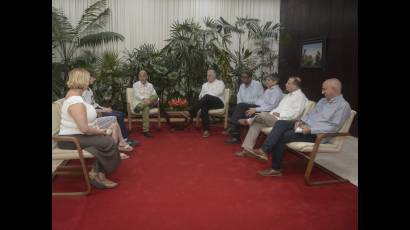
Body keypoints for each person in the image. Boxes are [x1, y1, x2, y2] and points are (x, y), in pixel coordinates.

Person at [250, 78, 351, 177]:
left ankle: (275, 168)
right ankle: (264, 150)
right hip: (305, 127)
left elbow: (333, 128)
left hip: (317, 134)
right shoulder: (322, 101)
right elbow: (310, 114)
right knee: (281, 123)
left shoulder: (343, 106)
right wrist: (302, 121)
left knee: (284, 135)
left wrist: (311, 129)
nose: (322, 92)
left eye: (325, 89)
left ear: (334, 89)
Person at [58, 68, 121, 189]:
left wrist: (98, 130)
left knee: (102, 143)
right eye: (87, 79)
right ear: (81, 81)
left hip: (76, 136)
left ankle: (96, 173)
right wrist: (100, 131)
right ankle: (98, 173)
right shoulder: (75, 101)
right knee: (109, 142)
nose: (89, 81)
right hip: (70, 139)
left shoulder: (75, 96)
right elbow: (84, 129)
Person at [235, 76, 307, 156]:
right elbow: (278, 108)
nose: (286, 84)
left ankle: (249, 121)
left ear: (295, 86)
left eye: (288, 83)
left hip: (283, 122)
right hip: (274, 118)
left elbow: (296, 114)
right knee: (257, 123)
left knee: (262, 114)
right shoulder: (288, 96)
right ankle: (247, 150)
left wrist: (280, 115)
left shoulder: (300, 97)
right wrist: (273, 113)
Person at [82, 71, 139, 146]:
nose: (94, 79)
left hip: (98, 108)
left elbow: (94, 104)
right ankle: (125, 139)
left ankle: (123, 136)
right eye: (93, 77)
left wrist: (104, 107)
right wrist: (104, 110)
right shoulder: (83, 92)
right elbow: (89, 109)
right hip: (95, 112)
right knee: (118, 116)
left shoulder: (89, 89)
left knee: (121, 114)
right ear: (87, 78)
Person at [225, 73, 284, 143]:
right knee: (240, 107)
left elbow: (271, 107)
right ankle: (235, 129)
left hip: (265, 113)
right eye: (266, 80)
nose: (266, 82)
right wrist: (252, 107)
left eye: (268, 80)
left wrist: (255, 109)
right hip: (258, 107)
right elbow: (260, 101)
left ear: (275, 82)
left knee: (240, 109)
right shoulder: (268, 90)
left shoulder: (276, 92)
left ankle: (234, 130)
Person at [224, 71, 264, 143]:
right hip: (243, 106)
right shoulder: (242, 86)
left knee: (239, 108)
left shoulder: (257, 85)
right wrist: (241, 105)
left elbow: (260, 99)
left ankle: (234, 132)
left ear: (250, 78)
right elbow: (239, 98)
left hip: (255, 106)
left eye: (245, 77)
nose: (243, 79)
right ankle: (235, 133)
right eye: (242, 78)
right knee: (232, 108)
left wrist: (244, 104)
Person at [188, 69, 225, 138]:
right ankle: (206, 130)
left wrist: (207, 95)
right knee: (204, 106)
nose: (208, 77)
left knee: (206, 97)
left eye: (210, 75)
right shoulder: (204, 85)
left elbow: (218, 92)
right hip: (208, 103)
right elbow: (200, 96)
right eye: (207, 75)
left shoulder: (220, 83)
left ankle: (192, 111)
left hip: (218, 103)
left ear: (214, 76)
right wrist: (205, 96)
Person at [132, 70, 159, 138]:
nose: (142, 78)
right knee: (146, 108)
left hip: (149, 103)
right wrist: (144, 99)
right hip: (139, 102)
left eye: (144, 76)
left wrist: (150, 100)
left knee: (155, 96)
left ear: (147, 77)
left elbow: (155, 95)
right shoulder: (135, 85)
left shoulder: (150, 85)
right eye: (140, 76)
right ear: (138, 77)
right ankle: (146, 131)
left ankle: (139, 108)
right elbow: (136, 95)